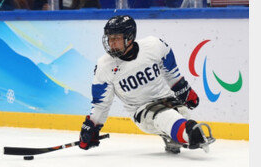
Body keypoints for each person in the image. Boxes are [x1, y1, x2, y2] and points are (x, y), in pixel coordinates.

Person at [78, 15, 215, 153]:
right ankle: (189, 135)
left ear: (130, 38)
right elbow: (101, 104)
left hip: (167, 99)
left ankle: (174, 137)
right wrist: (91, 127)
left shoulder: (153, 46)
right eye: (109, 38)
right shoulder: (104, 66)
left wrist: (184, 90)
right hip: (141, 110)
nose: (111, 43)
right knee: (167, 117)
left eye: (116, 38)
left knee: (183, 114)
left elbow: (171, 71)